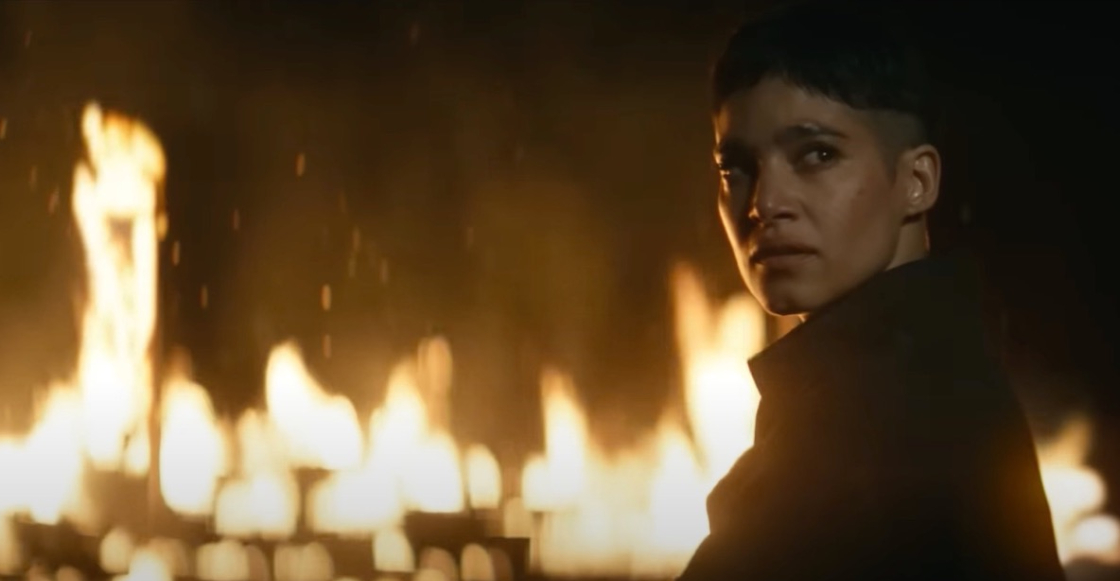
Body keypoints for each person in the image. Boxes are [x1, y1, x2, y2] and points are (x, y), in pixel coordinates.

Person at [677, 1, 1066, 580]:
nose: (764, 203)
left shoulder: (873, 423)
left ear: (917, 181)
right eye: (736, 169)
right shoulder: (935, 369)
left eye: (817, 154)